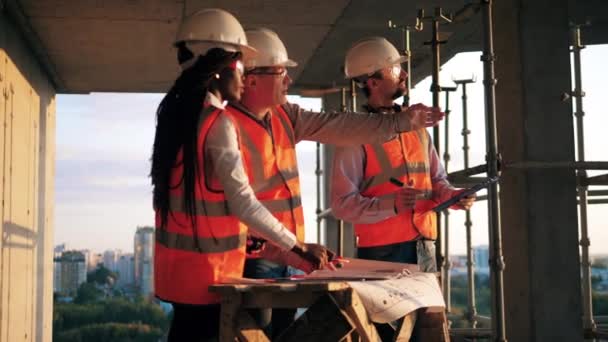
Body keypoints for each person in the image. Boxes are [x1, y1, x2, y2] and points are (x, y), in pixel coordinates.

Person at [223, 28, 446, 338]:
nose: (289, 80)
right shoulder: (226, 127)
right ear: (251, 79)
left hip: (288, 254)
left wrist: (402, 122)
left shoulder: (284, 116)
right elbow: (242, 203)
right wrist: (295, 247)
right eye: (280, 72)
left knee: (285, 335)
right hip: (254, 258)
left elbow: (336, 124)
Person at [150, 9, 332, 341]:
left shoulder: (177, 118)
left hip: (178, 274)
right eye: (240, 66)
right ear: (220, 70)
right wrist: (299, 246)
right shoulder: (217, 123)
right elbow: (243, 203)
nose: (243, 75)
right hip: (211, 274)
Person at [330, 36, 476, 341]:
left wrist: (451, 196)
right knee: (388, 335)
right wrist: (390, 204)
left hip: (425, 246)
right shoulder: (354, 135)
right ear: (372, 81)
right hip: (382, 253)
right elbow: (343, 204)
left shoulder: (417, 128)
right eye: (395, 70)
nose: (404, 75)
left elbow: (437, 180)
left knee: (428, 332)